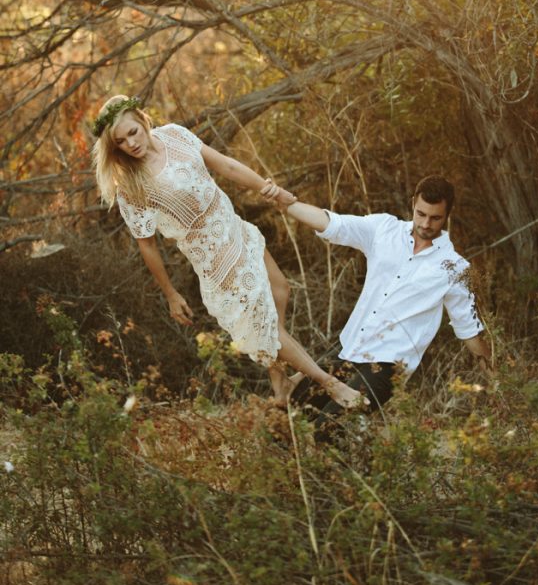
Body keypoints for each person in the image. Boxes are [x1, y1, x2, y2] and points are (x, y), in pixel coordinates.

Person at [92, 94, 364, 409]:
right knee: (266, 326)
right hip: (213, 256)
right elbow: (147, 244)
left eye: (133, 132)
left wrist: (269, 189)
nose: (131, 143)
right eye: (121, 141)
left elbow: (226, 165)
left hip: (233, 228)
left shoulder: (175, 135)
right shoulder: (131, 185)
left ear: (142, 120)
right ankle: (330, 384)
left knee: (280, 290)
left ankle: (280, 383)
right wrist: (170, 293)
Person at [262, 175, 492, 426]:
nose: (426, 223)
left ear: (448, 213)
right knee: (285, 417)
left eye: (435, 218)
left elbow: (469, 331)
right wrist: (286, 201)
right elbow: (331, 223)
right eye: (420, 214)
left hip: (387, 367)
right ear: (413, 203)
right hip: (347, 350)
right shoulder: (384, 229)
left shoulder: (455, 268)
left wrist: (497, 381)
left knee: (328, 428)